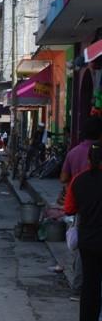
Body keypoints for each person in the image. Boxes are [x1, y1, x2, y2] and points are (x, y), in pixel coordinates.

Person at [64, 142, 102, 321]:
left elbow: (69, 209)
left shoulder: (79, 180)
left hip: (88, 240)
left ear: (88, 160)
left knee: (90, 288)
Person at [58, 117, 102, 290]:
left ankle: (79, 286)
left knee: (83, 251)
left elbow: (63, 178)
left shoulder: (74, 152)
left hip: (81, 207)